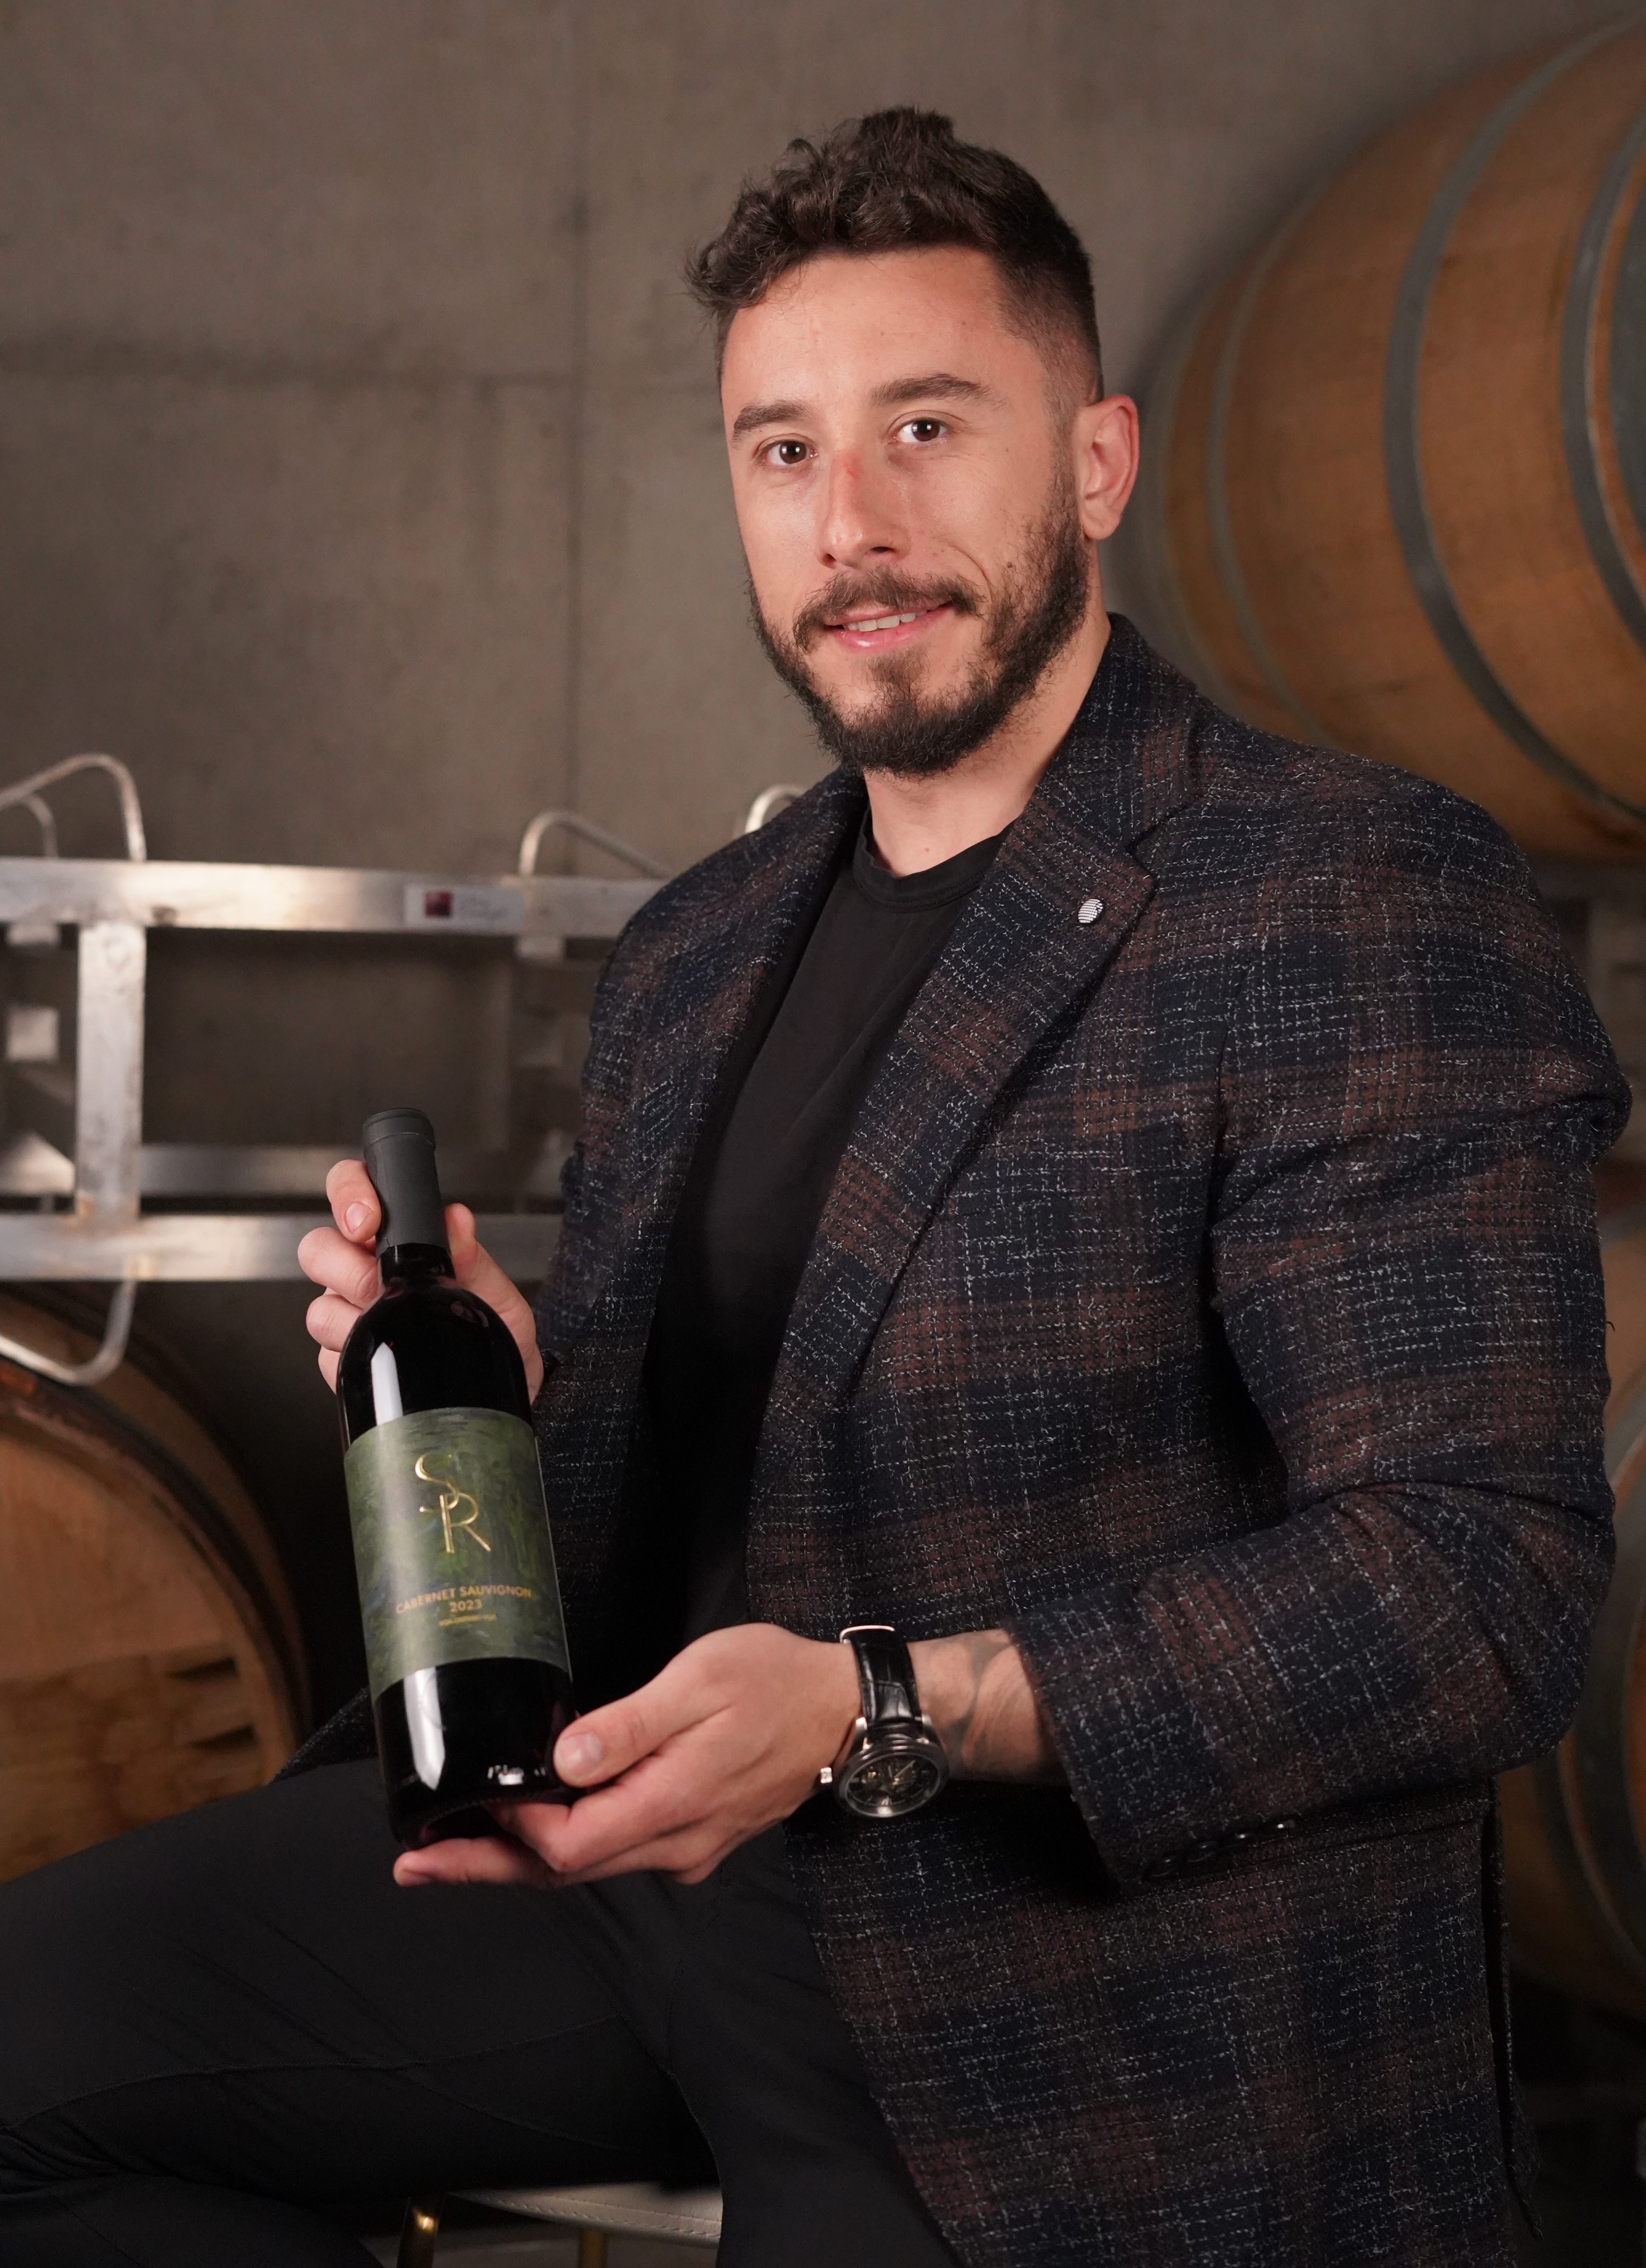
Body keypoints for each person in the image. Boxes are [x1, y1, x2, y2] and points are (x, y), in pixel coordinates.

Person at [0, 110, 1630, 2268]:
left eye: (927, 426)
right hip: (641, 1853)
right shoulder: (701, 945)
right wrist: (503, 1391)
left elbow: (1474, 1589)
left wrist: (882, 1702)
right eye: (781, 452)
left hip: (1070, 1993)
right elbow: (714, 1475)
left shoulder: (1334, 889)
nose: (851, 525)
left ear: (1101, 461)